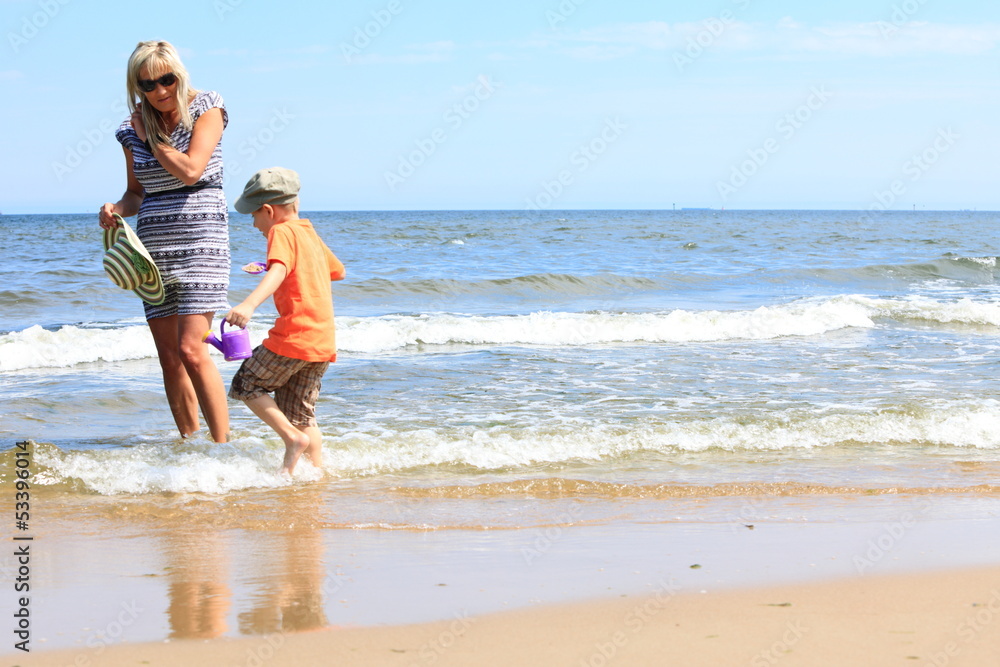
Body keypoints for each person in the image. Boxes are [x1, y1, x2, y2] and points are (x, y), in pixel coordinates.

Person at [98, 40, 231, 443]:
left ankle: (223, 448)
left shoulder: (207, 106)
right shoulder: (128, 129)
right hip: (153, 249)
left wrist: (152, 137)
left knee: (192, 350)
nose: (159, 91)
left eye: (166, 80)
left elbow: (191, 170)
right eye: (147, 85)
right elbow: (137, 193)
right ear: (136, 86)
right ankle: (192, 448)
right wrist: (116, 208)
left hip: (201, 240)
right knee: (169, 358)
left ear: (179, 74)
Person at [223, 168, 346, 475]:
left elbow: (279, 272)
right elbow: (337, 271)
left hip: (294, 336)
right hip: (321, 343)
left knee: (246, 383)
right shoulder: (308, 232)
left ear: (268, 210)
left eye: (254, 215)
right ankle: (314, 475)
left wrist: (249, 304)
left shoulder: (280, 232)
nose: (254, 224)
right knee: (302, 415)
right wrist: (282, 263)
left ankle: (291, 440)